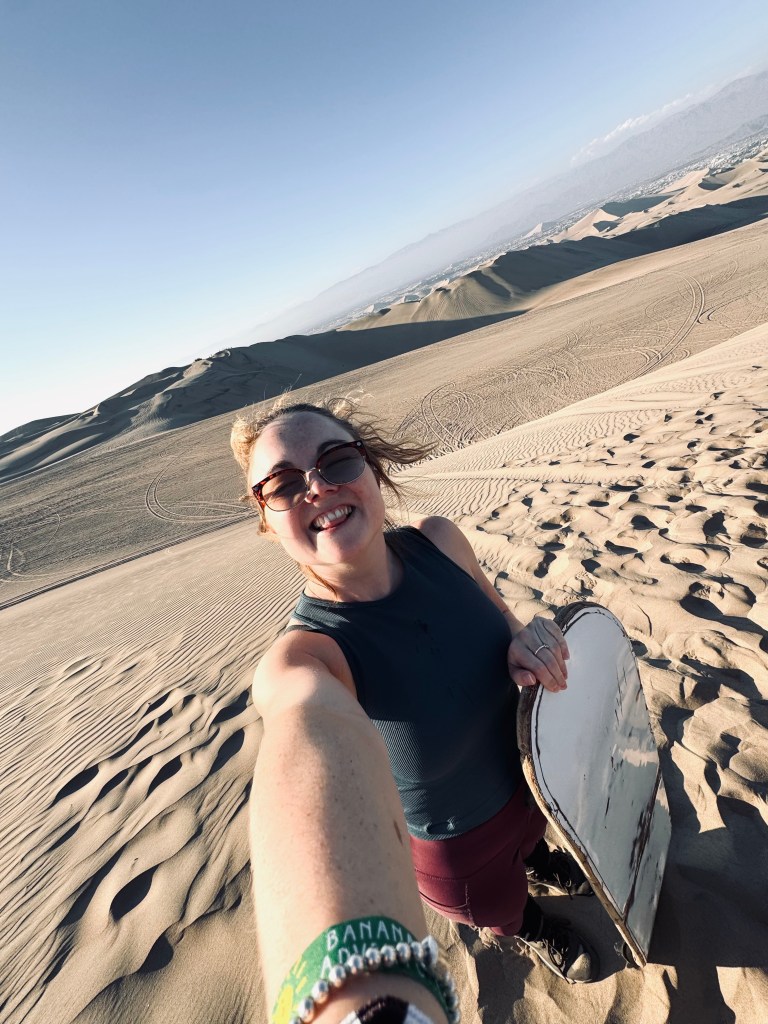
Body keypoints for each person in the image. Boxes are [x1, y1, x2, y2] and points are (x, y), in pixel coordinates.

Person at [232, 396, 598, 1016]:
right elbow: (302, 731)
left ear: (371, 470)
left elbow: (502, 616)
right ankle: (531, 926)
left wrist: (523, 637)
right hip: (460, 851)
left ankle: (541, 862)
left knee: (534, 846)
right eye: (283, 486)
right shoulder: (311, 656)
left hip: (528, 782)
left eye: (336, 460)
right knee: (503, 908)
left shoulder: (439, 541)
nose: (317, 487)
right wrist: (353, 998)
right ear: (268, 522)